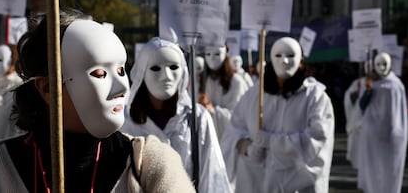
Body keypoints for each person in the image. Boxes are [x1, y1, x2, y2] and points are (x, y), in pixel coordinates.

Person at [0, 10, 195, 193]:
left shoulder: (152, 164)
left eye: (121, 71)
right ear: (48, 88)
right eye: (100, 74)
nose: (122, 87)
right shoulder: (0, 167)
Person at [220, 37, 335, 193]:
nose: (284, 61)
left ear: (301, 61)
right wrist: (245, 147)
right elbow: (234, 128)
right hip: (256, 183)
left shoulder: (315, 98)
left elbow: (317, 140)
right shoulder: (255, 95)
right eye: (278, 55)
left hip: (296, 186)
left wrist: (273, 142)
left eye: (290, 55)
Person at [121, 37, 232, 193]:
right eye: (155, 68)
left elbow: (212, 176)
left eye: (173, 67)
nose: (166, 75)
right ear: (142, 72)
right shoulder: (124, 120)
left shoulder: (197, 118)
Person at [357, 52, 408, 193]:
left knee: (389, 172)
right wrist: (367, 91)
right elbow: (361, 106)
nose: (382, 67)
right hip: (373, 136)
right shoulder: (370, 83)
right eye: (379, 64)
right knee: (373, 171)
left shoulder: (397, 86)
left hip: (392, 136)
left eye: (385, 64)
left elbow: (399, 114)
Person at [199, 45, 249, 141]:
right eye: (208, 54)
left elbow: (238, 117)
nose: (212, 58)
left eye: (217, 54)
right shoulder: (201, 80)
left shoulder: (236, 82)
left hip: (225, 139)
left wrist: (212, 110)